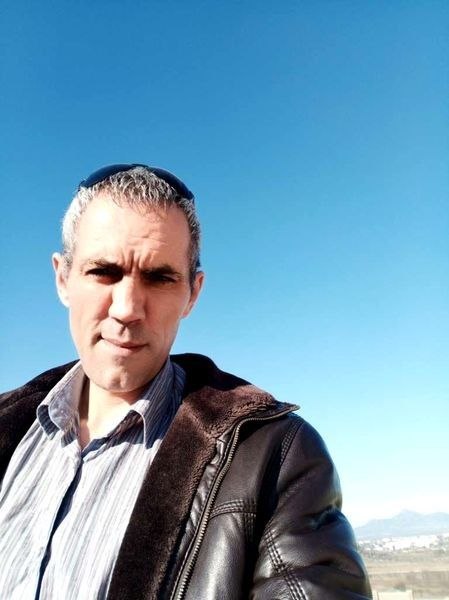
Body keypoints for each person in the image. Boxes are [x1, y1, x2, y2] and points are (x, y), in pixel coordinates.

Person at [0, 164, 372, 599]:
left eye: (159, 277)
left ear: (193, 293)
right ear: (63, 278)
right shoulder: (9, 428)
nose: (127, 309)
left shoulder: (276, 457)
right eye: (103, 271)